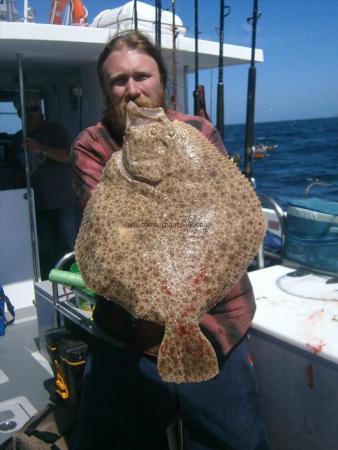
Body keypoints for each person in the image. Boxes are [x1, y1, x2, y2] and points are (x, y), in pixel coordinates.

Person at [70, 31, 269, 450]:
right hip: (129, 336)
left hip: (217, 325)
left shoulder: (198, 130)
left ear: (163, 81)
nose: (132, 90)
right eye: (118, 80)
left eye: (142, 76)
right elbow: (112, 236)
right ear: (105, 89)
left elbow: (228, 217)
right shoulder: (92, 145)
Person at [11, 93, 79, 279]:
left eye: (33, 109)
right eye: (25, 111)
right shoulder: (17, 139)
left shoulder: (55, 130)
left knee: (71, 241)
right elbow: (16, 171)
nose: (30, 114)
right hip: (36, 203)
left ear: (40, 111)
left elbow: (69, 156)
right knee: (47, 245)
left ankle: (80, 280)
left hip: (62, 199)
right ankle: (57, 280)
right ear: (19, 115)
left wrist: (41, 148)